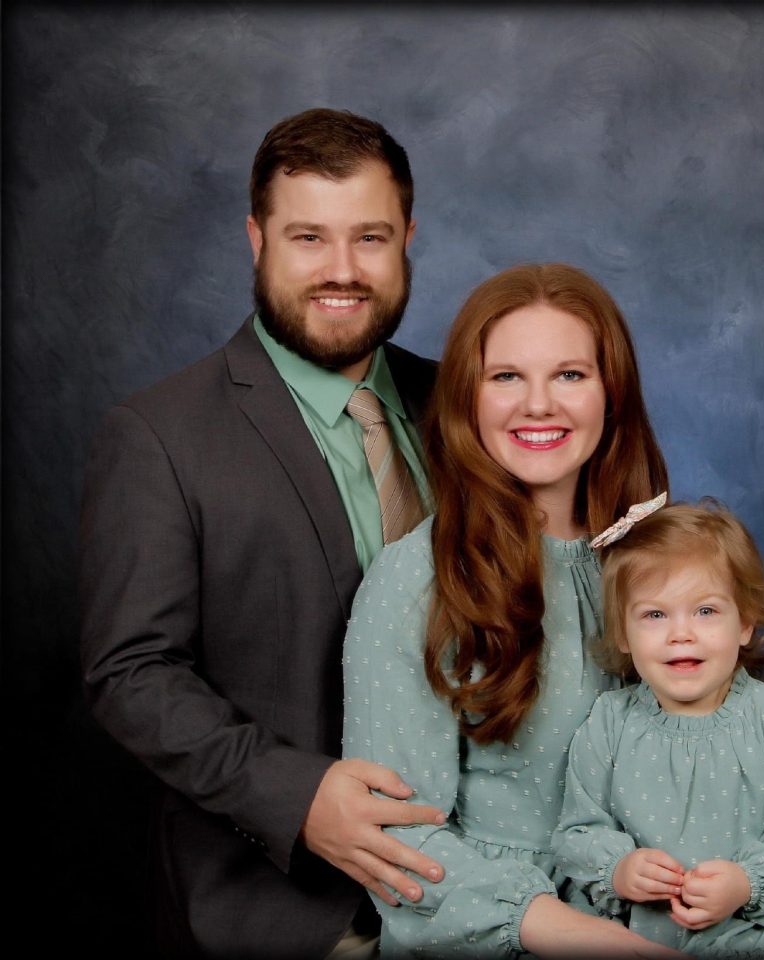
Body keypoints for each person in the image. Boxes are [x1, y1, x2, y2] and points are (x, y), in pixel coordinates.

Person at [79, 108, 447, 959]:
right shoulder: (159, 435)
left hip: (492, 894)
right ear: (256, 239)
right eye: (309, 237)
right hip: (295, 917)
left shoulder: (467, 405)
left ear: (407, 238)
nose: (343, 271)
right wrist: (297, 796)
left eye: (371, 237)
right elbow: (131, 673)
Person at [342, 262, 685, 958]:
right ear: (469, 398)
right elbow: (400, 842)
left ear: (611, 393)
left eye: (569, 375)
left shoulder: (661, 558)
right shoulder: (417, 581)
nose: (539, 405)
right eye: (506, 377)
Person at [551, 498, 764, 959]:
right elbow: (577, 829)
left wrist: (748, 882)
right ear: (623, 633)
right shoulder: (608, 722)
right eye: (655, 615)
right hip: (644, 940)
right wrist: (619, 868)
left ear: (745, 623)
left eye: (705, 611)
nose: (682, 633)